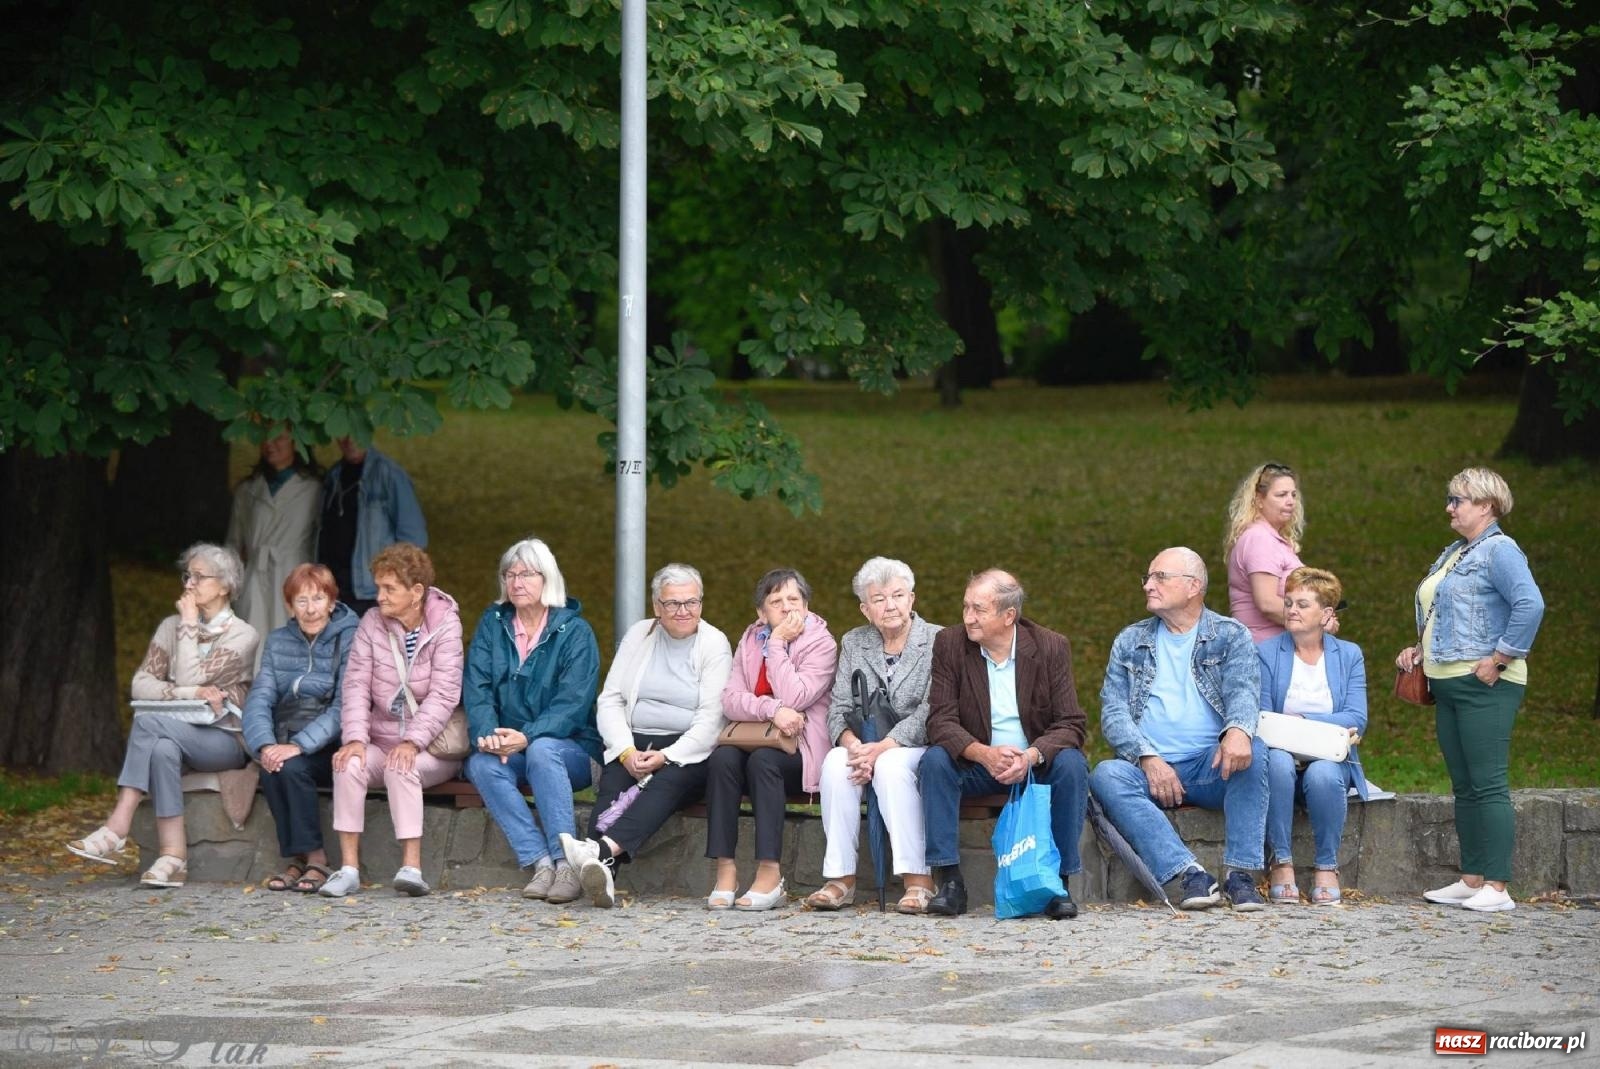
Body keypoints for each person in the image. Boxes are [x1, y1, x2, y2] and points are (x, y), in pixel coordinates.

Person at [66, 544, 260, 889]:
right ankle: (174, 856)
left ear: (225, 585)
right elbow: (141, 683)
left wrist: (187, 628)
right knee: (161, 750)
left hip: (225, 739)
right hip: (175, 733)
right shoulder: (170, 627)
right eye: (187, 575)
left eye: (199, 577)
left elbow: (188, 674)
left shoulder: (242, 635)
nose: (189, 584)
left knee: (146, 722)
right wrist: (191, 694)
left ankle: (117, 826)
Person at [1396, 468, 1544, 914]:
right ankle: (1472, 878)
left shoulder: (1500, 550)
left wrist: (1500, 657)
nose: (1449, 507)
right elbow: (1444, 613)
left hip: (1486, 685)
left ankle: (1497, 888)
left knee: (1489, 783)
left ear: (1487, 505)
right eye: (1450, 498)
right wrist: (1419, 649)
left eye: (1458, 500)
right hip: (1448, 683)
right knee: (1464, 785)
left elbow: (1530, 604)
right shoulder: (1455, 553)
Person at [1090, 547, 1270, 912]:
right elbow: (1113, 712)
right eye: (1148, 577)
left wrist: (1238, 730)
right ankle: (1190, 874)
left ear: (1193, 586)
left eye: (1160, 577)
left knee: (1257, 752)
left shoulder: (1230, 635)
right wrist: (1147, 757)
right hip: (1150, 769)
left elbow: (1243, 692)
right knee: (1107, 775)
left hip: (1210, 765)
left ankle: (1240, 875)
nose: (1148, 586)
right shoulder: (1130, 640)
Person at [917, 569, 1088, 920]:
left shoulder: (1050, 647)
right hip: (978, 764)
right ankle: (948, 880)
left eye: (978, 610)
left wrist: (1031, 754)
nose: (968, 618)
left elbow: (1071, 723)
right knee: (934, 761)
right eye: (965, 607)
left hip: (1033, 764)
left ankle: (1059, 883)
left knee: (1071, 764)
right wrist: (983, 754)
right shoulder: (950, 644)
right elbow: (940, 721)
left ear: (1009, 616)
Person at [558, 564, 732, 909]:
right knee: (615, 781)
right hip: (635, 741)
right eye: (673, 604)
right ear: (656, 606)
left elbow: (712, 719)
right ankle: (604, 874)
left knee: (665, 783)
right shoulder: (640, 634)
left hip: (689, 750)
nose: (683, 611)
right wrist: (624, 750)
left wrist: (666, 756)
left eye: (691, 602)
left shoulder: (714, 643)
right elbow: (610, 699)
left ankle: (598, 851)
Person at [320, 543, 463, 898]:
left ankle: (411, 868)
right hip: (379, 741)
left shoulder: (446, 625)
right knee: (348, 763)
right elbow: (354, 685)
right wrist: (354, 737)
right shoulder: (371, 623)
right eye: (378, 587)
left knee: (402, 766)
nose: (378, 596)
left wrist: (412, 740)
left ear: (416, 593)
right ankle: (349, 869)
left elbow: (445, 694)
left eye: (389, 589)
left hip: (432, 745)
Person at [463, 538, 601, 905]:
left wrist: (526, 736)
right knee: (481, 764)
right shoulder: (492, 625)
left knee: (542, 750)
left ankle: (566, 864)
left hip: (572, 750)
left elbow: (573, 704)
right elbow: (476, 687)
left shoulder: (575, 632)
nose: (516, 582)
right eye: (510, 574)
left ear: (547, 579)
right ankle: (540, 862)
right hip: (512, 746)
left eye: (526, 574)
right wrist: (489, 736)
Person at [806, 557, 942, 914]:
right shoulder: (854, 642)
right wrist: (853, 746)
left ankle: (918, 879)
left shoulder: (939, 640)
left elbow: (935, 708)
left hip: (916, 744)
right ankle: (840, 878)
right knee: (837, 762)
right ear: (865, 609)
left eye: (898, 595)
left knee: (892, 766)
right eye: (879, 599)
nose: (891, 605)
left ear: (912, 599)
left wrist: (882, 748)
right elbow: (836, 707)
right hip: (865, 742)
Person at [704, 568, 838, 911]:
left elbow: (798, 695)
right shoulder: (750, 640)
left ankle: (769, 873)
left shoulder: (822, 643)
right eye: (776, 601)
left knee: (764, 762)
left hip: (801, 749)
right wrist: (772, 709)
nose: (787, 607)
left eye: (794, 599)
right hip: (756, 737)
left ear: (806, 607)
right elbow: (731, 699)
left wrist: (777, 643)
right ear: (761, 613)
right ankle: (725, 869)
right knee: (722, 759)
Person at [240, 563, 359, 893]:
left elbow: (344, 705)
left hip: (332, 744)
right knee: (271, 767)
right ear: (290, 606)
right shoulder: (278, 642)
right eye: (301, 601)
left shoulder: (351, 637)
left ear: (332, 602)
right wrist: (265, 744)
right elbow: (260, 698)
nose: (310, 609)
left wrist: (300, 745)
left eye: (318, 599)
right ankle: (298, 858)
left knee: (291, 767)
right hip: (285, 737)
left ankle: (317, 859)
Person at [1257, 567, 1368, 906]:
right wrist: (1318, 724)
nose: (1292, 610)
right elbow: (1260, 715)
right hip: (1279, 751)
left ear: (1327, 614)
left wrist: (1304, 720)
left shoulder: (1348, 655)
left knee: (1323, 774)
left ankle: (1326, 867)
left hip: (1327, 754)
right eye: (1289, 602)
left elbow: (1356, 716)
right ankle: (1282, 862)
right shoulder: (1266, 652)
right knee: (1274, 761)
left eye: (1303, 604)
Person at [227, 429, 322, 649]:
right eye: (265, 437)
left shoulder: (315, 490)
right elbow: (233, 544)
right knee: (251, 648)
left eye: (278, 438)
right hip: (253, 580)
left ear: (296, 441)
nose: (270, 444)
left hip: (297, 578)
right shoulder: (248, 490)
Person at [1224, 462, 1335, 643]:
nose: (1291, 501)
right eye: (1281, 495)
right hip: (1263, 652)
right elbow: (1267, 603)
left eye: (1293, 494)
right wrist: (1316, 621)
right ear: (1259, 500)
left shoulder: (1273, 539)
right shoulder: (1259, 539)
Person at [317, 436, 427, 617]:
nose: (349, 439)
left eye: (355, 432)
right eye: (342, 432)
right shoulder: (333, 476)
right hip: (334, 594)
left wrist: (394, 589)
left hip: (373, 595)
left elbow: (413, 540)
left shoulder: (390, 475)